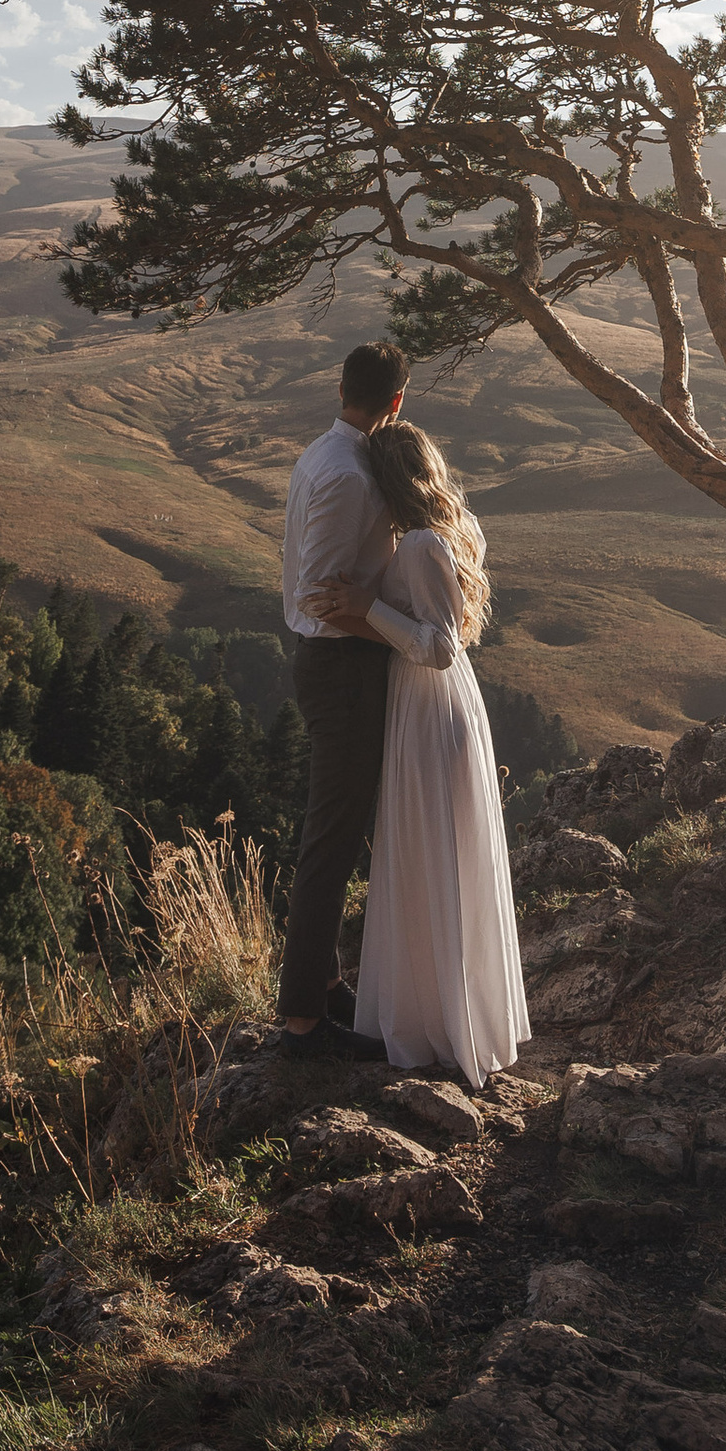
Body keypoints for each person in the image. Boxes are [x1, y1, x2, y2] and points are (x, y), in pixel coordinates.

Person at [313, 423, 527, 1088]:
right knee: (436, 855)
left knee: (430, 853)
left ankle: (435, 1028)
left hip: (430, 704)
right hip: (434, 705)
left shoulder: (426, 544)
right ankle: (441, 1015)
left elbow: (439, 646)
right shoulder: (454, 531)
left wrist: (369, 608)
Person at [274, 338, 409, 1054]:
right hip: (340, 667)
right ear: (396, 402)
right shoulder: (351, 474)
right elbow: (322, 598)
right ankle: (302, 1022)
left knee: (338, 834)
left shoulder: (320, 455)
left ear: (340, 389)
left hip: (332, 665)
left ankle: (324, 988)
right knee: (329, 845)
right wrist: (401, 633)